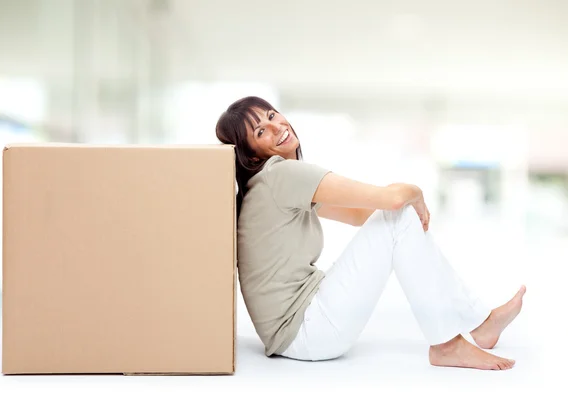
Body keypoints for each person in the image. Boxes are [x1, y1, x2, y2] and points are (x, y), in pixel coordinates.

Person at [215, 96, 526, 370]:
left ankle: (480, 323)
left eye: (271, 115)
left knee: (397, 220)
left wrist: (401, 236)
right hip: (306, 332)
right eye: (260, 131)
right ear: (252, 155)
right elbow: (391, 201)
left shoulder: (270, 184)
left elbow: (357, 215)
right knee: (400, 216)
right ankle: (449, 343)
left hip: (305, 323)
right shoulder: (281, 175)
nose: (276, 126)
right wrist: (413, 192)